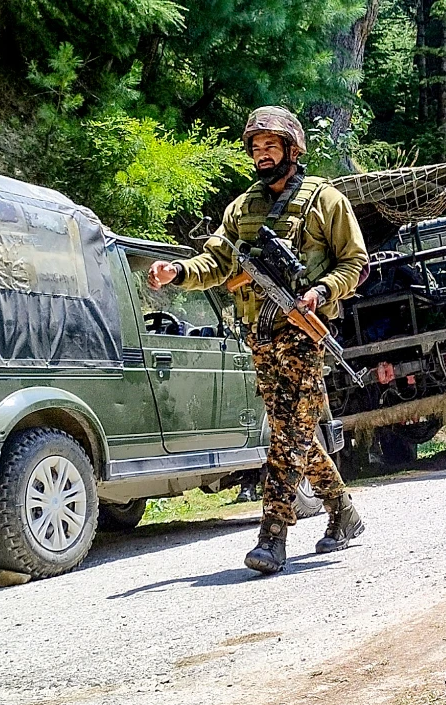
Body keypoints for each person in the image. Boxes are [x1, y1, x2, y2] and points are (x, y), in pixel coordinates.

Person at [147, 106, 370, 574]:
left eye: (271, 145)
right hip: (261, 337)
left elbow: (356, 262)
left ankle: (272, 537)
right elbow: (216, 263)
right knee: (299, 437)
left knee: (289, 435)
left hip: (303, 334)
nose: (262, 154)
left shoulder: (325, 201)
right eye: (256, 147)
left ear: (292, 148)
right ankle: (344, 513)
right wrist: (178, 272)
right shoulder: (242, 208)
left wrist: (319, 291)